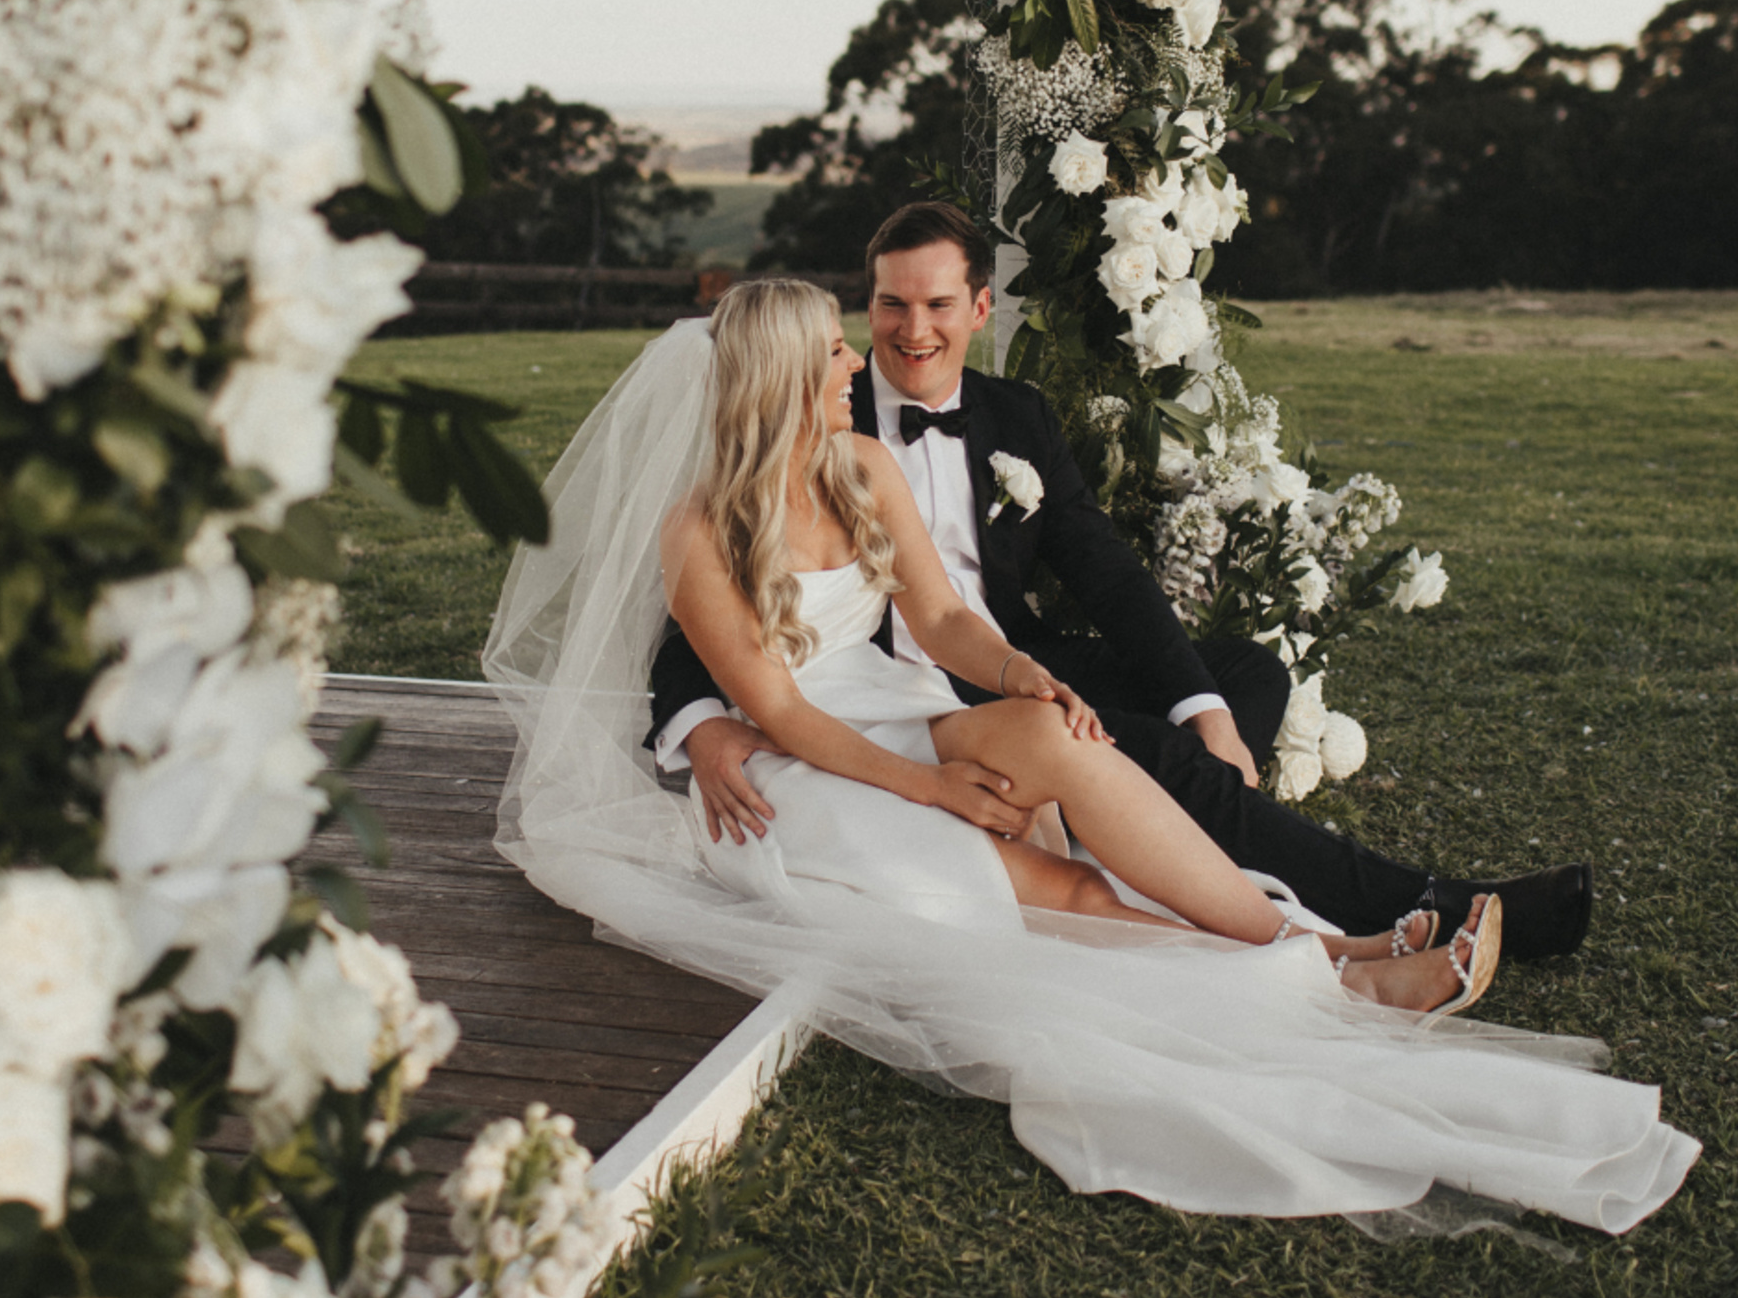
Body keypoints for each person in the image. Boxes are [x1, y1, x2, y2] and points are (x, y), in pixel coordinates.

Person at [484, 284, 1697, 1233]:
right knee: (1051, 887)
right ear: (779, 378)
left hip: (901, 703)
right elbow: (779, 714)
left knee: (1058, 742)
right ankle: (1332, 969)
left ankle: (1319, 947)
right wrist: (935, 788)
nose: (856, 363)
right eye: (834, 355)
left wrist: (1024, 680)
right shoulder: (696, 529)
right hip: (814, 768)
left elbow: (950, 624)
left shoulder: (857, 467)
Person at [652, 202, 1592, 961]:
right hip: (864, 709)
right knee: (1157, 760)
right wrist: (700, 728)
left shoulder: (998, 419)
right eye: (887, 308)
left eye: (937, 305)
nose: (898, 335)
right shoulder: (749, 487)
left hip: (967, 669)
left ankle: (1167, 811)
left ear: (979, 308)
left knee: (1241, 680)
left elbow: (1076, 573)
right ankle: (1387, 908)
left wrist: (1173, 699)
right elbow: (724, 650)